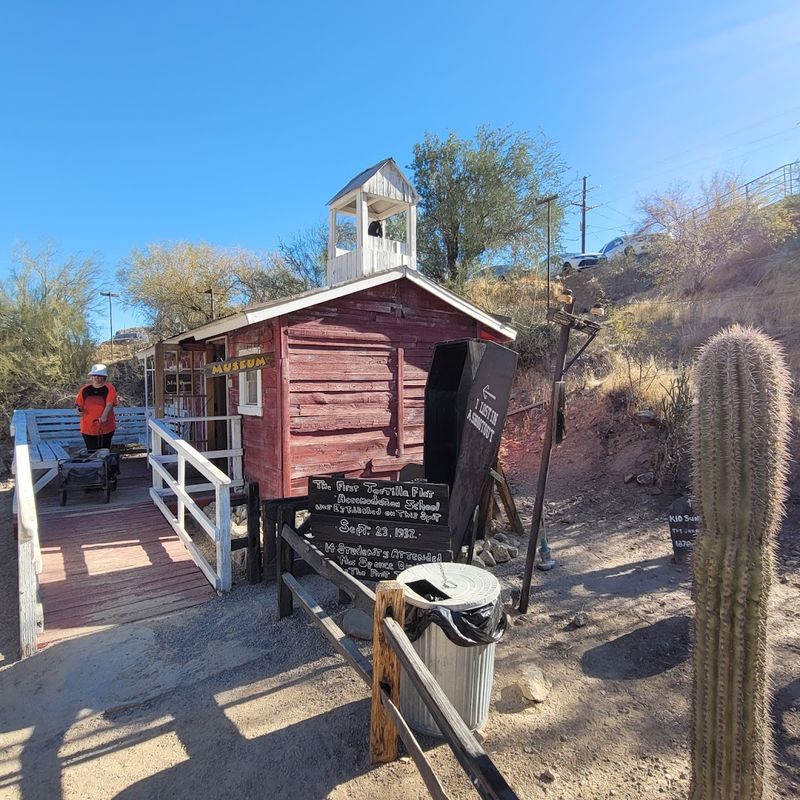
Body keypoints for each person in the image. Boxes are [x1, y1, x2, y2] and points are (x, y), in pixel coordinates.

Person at [75, 364, 118, 451]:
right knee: (91, 452)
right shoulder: (85, 389)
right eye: (94, 375)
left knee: (104, 452)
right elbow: (78, 404)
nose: (96, 377)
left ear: (104, 377)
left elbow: (109, 404)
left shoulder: (109, 388)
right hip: (88, 427)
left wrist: (104, 416)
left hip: (106, 427)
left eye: (99, 376)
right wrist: (79, 410)